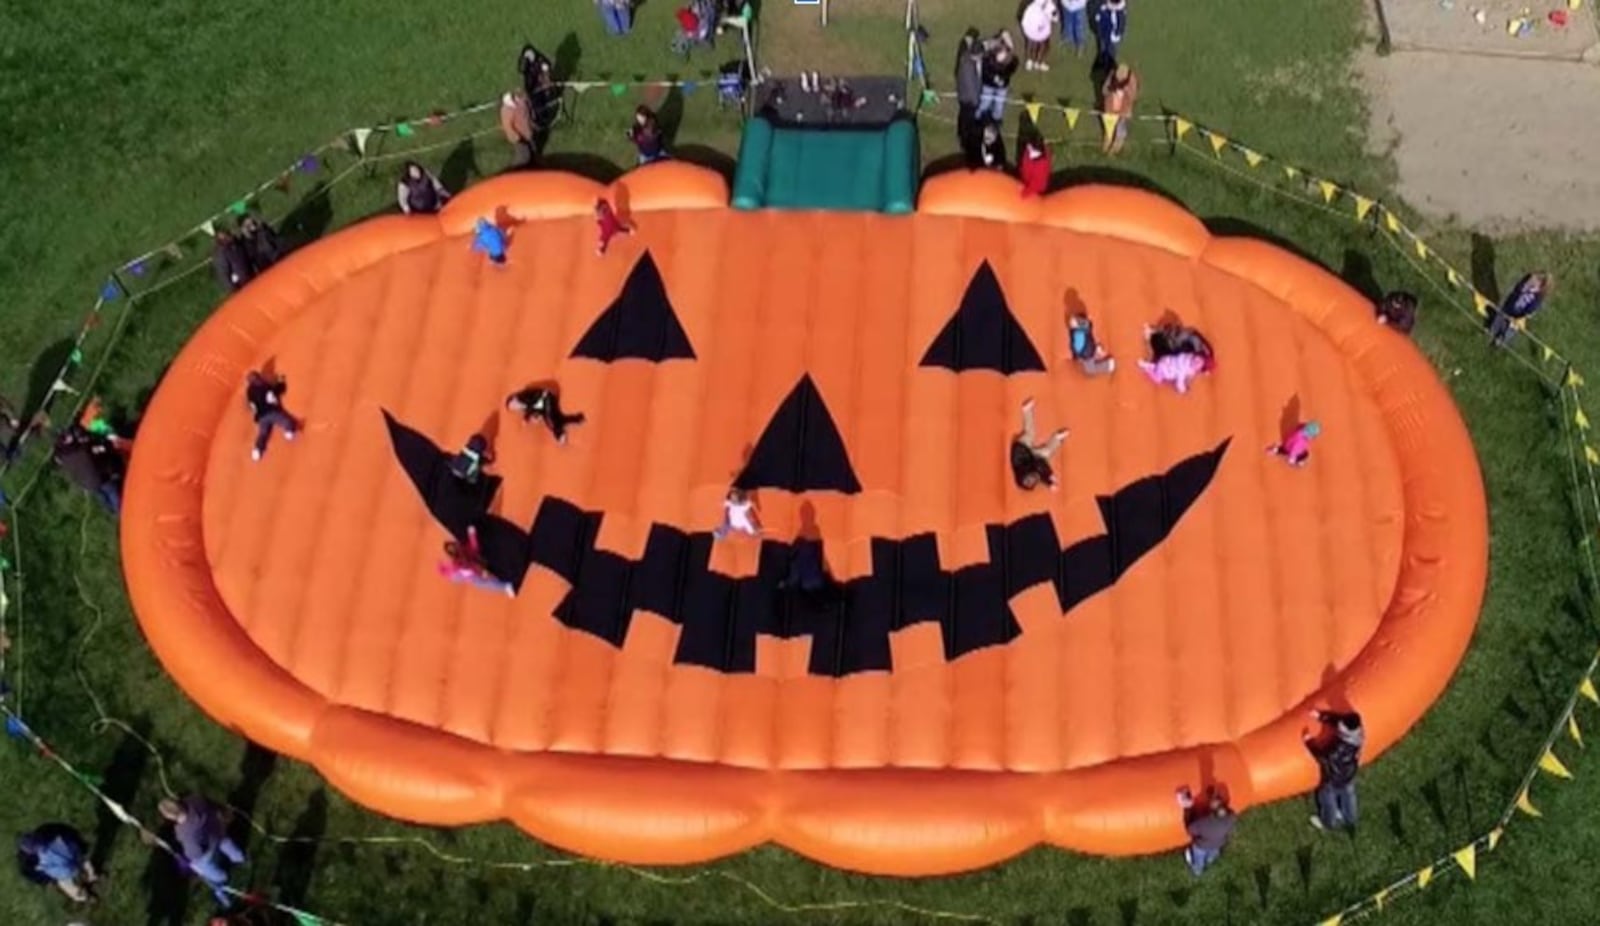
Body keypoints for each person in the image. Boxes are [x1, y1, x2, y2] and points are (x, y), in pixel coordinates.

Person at [157, 796, 245, 908]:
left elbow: (196, 854)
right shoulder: (196, 801)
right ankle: (238, 857)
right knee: (231, 848)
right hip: (218, 833)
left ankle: (222, 890)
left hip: (208, 851)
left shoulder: (184, 834)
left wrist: (188, 862)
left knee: (202, 867)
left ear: (170, 817)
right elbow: (213, 804)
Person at [1304, 709, 1364, 831]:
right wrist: (1321, 716)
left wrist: (1309, 741)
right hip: (1349, 773)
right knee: (1348, 794)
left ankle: (1328, 822)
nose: (1339, 725)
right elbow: (1338, 720)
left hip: (1334, 777)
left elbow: (1323, 757)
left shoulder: (1340, 749)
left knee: (1326, 797)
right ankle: (1350, 817)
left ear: (1346, 731)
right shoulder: (1357, 734)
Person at [15, 823, 98, 903]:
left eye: (34, 841)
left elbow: (69, 835)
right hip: (60, 874)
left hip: (72, 855)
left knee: (85, 864)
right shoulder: (28, 864)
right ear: (29, 851)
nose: (36, 845)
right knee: (70, 888)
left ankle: (92, 876)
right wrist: (51, 881)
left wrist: (80, 849)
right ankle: (85, 896)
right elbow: (39, 877)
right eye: (31, 846)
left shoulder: (48, 831)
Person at [52, 424, 124, 513]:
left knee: (103, 498)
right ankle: (122, 511)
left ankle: (115, 514)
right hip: (98, 477)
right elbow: (101, 448)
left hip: (86, 483)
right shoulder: (82, 449)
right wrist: (107, 445)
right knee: (112, 492)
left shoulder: (63, 456)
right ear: (66, 440)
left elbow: (58, 459)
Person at [438, 526, 515, 597]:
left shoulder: (463, 549)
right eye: (451, 549)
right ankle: (506, 586)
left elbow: (474, 546)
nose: (454, 549)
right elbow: (463, 572)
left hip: (480, 564)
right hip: (475, 573)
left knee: (491, 576)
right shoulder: (457, 562)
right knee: (488, 581)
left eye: (452, 546)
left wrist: (472, 534)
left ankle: (507, 582)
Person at [1010, 397, 1068, 491]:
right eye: (1032, 481)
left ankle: (1026, 411)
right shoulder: (1028, 475)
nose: (1032, 479)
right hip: (1029, 455)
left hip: (1021, 447)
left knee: (1030, 434)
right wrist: (1049, 482)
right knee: (1047, 452)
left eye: (1029, 480)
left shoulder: (1025, 472)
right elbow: (1038, 471)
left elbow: (1040, 464)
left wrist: (1050, 477)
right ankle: (1057, 438)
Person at [1176, 787, 1236, 877]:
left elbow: (1189, 830)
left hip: (1202, 847)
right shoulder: (1231, 817)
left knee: (1199, 860)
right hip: (1218, 844)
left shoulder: (1204, 823)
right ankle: (1209, 861)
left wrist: (1187, 810)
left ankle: (1197, 871)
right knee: (1213, 855)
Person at [245, 370, 298, 462]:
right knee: (286, 421)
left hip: (260, 417)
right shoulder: (264, 386)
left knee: (263, 433)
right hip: (271, 412)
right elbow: (277, 391)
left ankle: (257, 450)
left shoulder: (249, 392)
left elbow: (250, 406)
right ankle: (289, 432)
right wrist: (281, 381)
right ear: (258, 379)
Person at [1489, 271, 1551, 346]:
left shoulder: (1536, 298)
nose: (1533, 279)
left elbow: (1529, 310)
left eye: (1537, 279)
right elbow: (1515, 292)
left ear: (1540, 284)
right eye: (1534, 276)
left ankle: (1497, 344)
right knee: (1493, 328)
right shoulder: (1525, 282)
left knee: (1502, 338)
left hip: (1515, 320)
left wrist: (1517, 317)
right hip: (1506, 309)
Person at [506, 386, 585, 444]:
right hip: (544, 405)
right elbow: (535, 408)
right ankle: (577, 419)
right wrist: (536, 417)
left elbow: (533, 401)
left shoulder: (522, 397)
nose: (514, 408)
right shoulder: (524, 407)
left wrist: (527, 417)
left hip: (546, 398)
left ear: (514, 398)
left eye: (512, 405)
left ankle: (560, 435)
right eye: (513, 408)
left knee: (550, 420)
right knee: (557, 419)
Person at [976, 36, 1018, 122]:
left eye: (1004, 53)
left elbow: (1010, 71)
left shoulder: (1011, 61)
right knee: (985, 103)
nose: (1002, 56)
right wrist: (994, 78)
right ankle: (978, 118)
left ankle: (996, 120)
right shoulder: (988, 59)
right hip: (988, 85)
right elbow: (985, 72)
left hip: (1002, 87)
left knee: (999, 105)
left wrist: (1002, 79)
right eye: (1000, 53)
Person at [1100, 63, 1139, 156]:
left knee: (1120, 130)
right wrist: (1110, 89)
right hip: (1110, 107)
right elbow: (1104, 90)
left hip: (1124, 110)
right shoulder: (1112, 75)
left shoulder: (1132, 80)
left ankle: (1115, 149)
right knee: (1109, 128)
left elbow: (1134, 96)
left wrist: (1126, 90)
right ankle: (1105, 145)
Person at [500, 89, 537, 169]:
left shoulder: (521, 101)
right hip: (520, 137)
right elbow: (508, 127)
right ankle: (517, 171)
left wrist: (532, 121)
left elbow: (527, 111)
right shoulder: (507, 111)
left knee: (533, 150)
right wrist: (516, 138)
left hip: (527, 132)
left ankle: (533, 166)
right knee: (523, 156)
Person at [1020, 0, 1058, 71]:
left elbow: (1025, 18)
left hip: (1031, 29)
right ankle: (1038, 63)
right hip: (1041, 30)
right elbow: (1055, 18)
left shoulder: (1032, 5)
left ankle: (1030, 62)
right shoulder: (1050, 6)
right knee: (1044, 46)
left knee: (1031, 44)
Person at [1094, 0, 1128, 70]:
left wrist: (1117, 33)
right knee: (1103, 47)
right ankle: (1102, 59)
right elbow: (1099, 18)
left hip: (1113, 38)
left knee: (1111, 51)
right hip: (1104, 34)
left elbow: (1121, 25)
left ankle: (1108, 65)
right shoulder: (1104, 8)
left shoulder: (1121, 13)